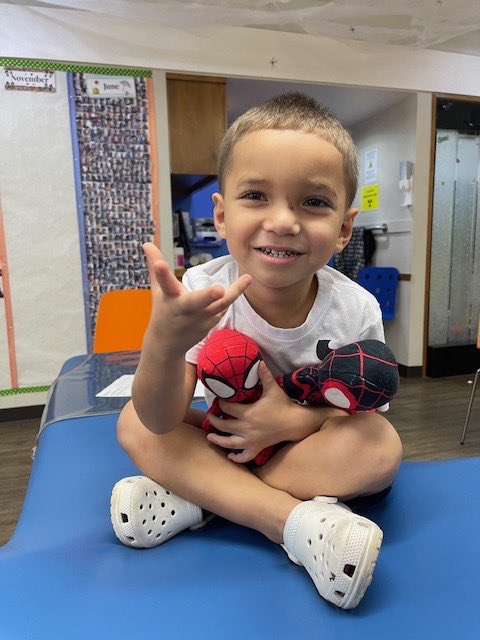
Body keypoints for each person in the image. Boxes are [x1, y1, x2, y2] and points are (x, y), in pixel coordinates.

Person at [110, 92, 403, 610]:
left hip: (300, 452)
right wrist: (164, 342)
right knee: (134, 422)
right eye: (256, 196)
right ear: (221, 215)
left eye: (313, 202)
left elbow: (361, 414)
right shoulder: (204, 287)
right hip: (227, 438)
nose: (284, 221)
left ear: (343, 228)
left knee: (379, 446)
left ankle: (202, 498)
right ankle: (292, 525)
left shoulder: (355, 307)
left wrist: (295, 421)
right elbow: (160, 420)